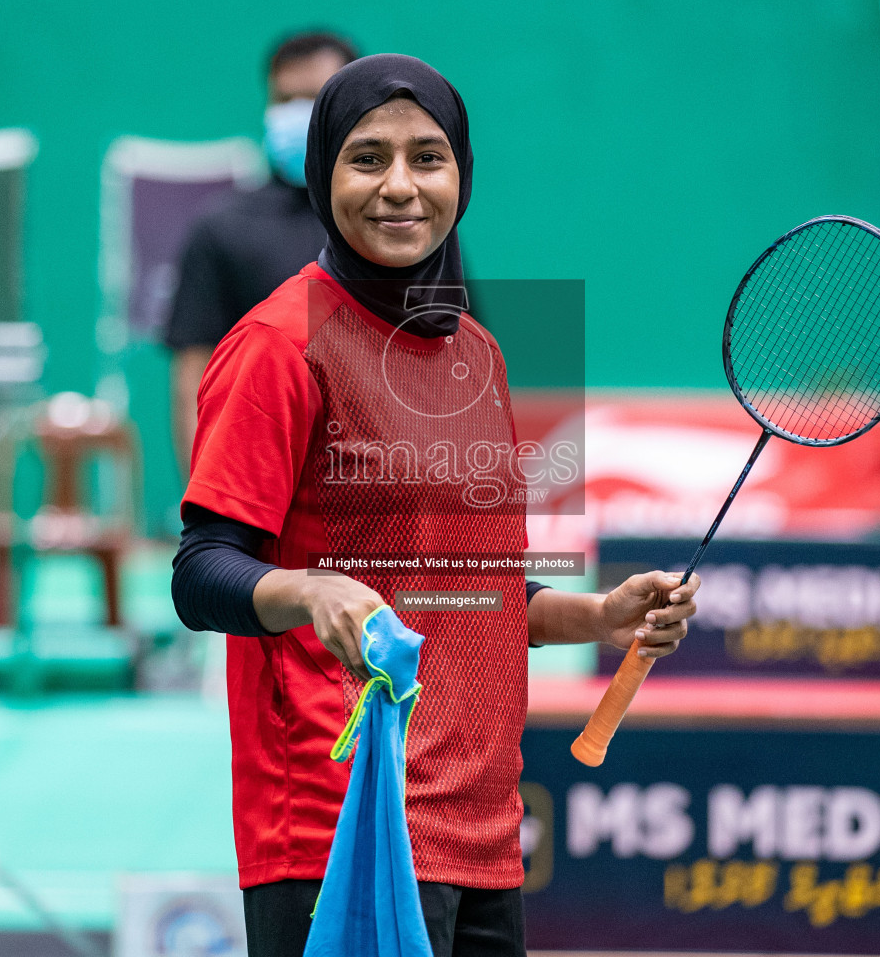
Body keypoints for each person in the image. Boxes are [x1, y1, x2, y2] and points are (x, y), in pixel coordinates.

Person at [170, 54, 697, 957]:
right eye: (367, 158)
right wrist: (307, 591)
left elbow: (477, 590)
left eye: (429, 157)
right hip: (341, 826)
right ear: (321, 172)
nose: (400, 186)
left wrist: (601, 615)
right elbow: (201, 572)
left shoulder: (478, 355)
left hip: (484, 829)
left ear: (463, 175)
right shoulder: (276, 345)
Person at [162, 31, 359, 477]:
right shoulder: (222, 229)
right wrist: (208, 513)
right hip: (263, 487)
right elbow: (193, 374)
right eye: (284, 99)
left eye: (314, 98)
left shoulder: (401, 223)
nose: (297, 114)